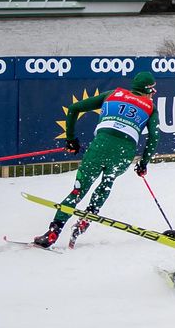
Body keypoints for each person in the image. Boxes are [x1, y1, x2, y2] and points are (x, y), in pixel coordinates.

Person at [32, 71, 161, 248]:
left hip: (99, 147)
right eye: (152, 91)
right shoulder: (150, 107)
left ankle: (53, 232)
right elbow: (154, 137)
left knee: (78, 190)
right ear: (147, 90)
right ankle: (86, 219)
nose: (153, 95)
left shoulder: (112, 94)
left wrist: (71, 139)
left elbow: (73, 108)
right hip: (124, 153)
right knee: (107, 182)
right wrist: (144, 163)